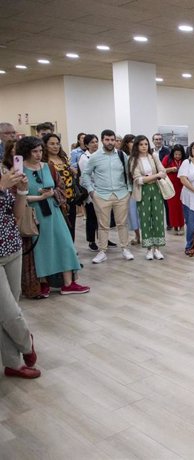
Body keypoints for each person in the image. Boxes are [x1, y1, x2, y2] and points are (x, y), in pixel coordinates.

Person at [18, 136, 90, 295]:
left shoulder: (48, 167)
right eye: (34, 151)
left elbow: (61, 188)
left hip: (54, 212)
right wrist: (38, 198)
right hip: (34, 215)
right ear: (26, 152)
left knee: (65, 244)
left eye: (40, 151)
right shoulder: (19, 170)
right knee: (41, 248)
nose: (38, 154)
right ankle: (43, 283)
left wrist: (52, 193)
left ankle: (68, 283)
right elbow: (17, 197)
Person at [0, 164, 41, 379]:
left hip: (11, 248)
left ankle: (13, 363)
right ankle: (26, 343)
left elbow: (15, 214)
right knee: (9, 313)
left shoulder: (3, 169)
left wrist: (23, 191)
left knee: (9, 310)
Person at [80, 129, 135, 264]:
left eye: (112, 140)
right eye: (107, 140)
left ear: (115, 140)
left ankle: (125, 249)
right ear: (102, 140)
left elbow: (129, 173)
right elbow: (85, 174)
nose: (110, 142)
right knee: (103, 225)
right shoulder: (95, 157)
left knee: (122, 223)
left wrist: (129, 190)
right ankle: (102, 251)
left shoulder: (122, 155)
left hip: (121, 194)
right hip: (101, 195)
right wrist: (91, 191)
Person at [129, 135, 167, 260]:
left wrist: (154, 176)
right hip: (143, 191)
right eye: (141, 144)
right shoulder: (133, 159)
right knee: (145, 219)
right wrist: (156, 175)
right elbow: (138, 179)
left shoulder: (153, 156)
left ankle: (157, 248)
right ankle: (149, 249)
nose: (144, 146)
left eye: (146, 144)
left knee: (158, 218)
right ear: (136, 146)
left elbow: (163, 172)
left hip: (156, 189)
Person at [42, 133, 78, 241]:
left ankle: (71, 249)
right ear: (45, 145)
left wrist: (74, 172)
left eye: (57, 144)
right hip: (56, 200)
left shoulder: (63, 158)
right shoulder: (44, 162)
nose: (55, 146)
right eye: (52, 144)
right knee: (60, 228)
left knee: (71, 225)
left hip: (70, 198)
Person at [78, 134, 101, 252]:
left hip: (102, 190)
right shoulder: (84, 158)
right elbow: (86, 175)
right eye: (92, 142)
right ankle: (91, 241)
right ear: (86, 145)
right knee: (92, 217)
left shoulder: (100, 155)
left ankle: (103, 239)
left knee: (102, 217)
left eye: (96, 141)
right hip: (91, 191)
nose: (95, 144)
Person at [120, 134, 141, 246]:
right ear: (126, 143)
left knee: (143, 213)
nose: (133, 144)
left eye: (135, 141)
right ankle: (137, 236)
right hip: (129, 188)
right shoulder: (123, 156)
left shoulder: (140, 155)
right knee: (132, 213)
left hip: (141, 186)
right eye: (131, 141)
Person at [162, 144, 186, 235]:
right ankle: (175, 226)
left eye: (179, 154)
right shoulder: (167, 158)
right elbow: (162, 170)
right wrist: (171, 169)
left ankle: (182, 226)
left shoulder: (185, 160)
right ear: (173, 153)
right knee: (172, 208)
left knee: (181, 207)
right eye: (176, 154)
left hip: (182, 186)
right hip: (170, 187)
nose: (177, 156)